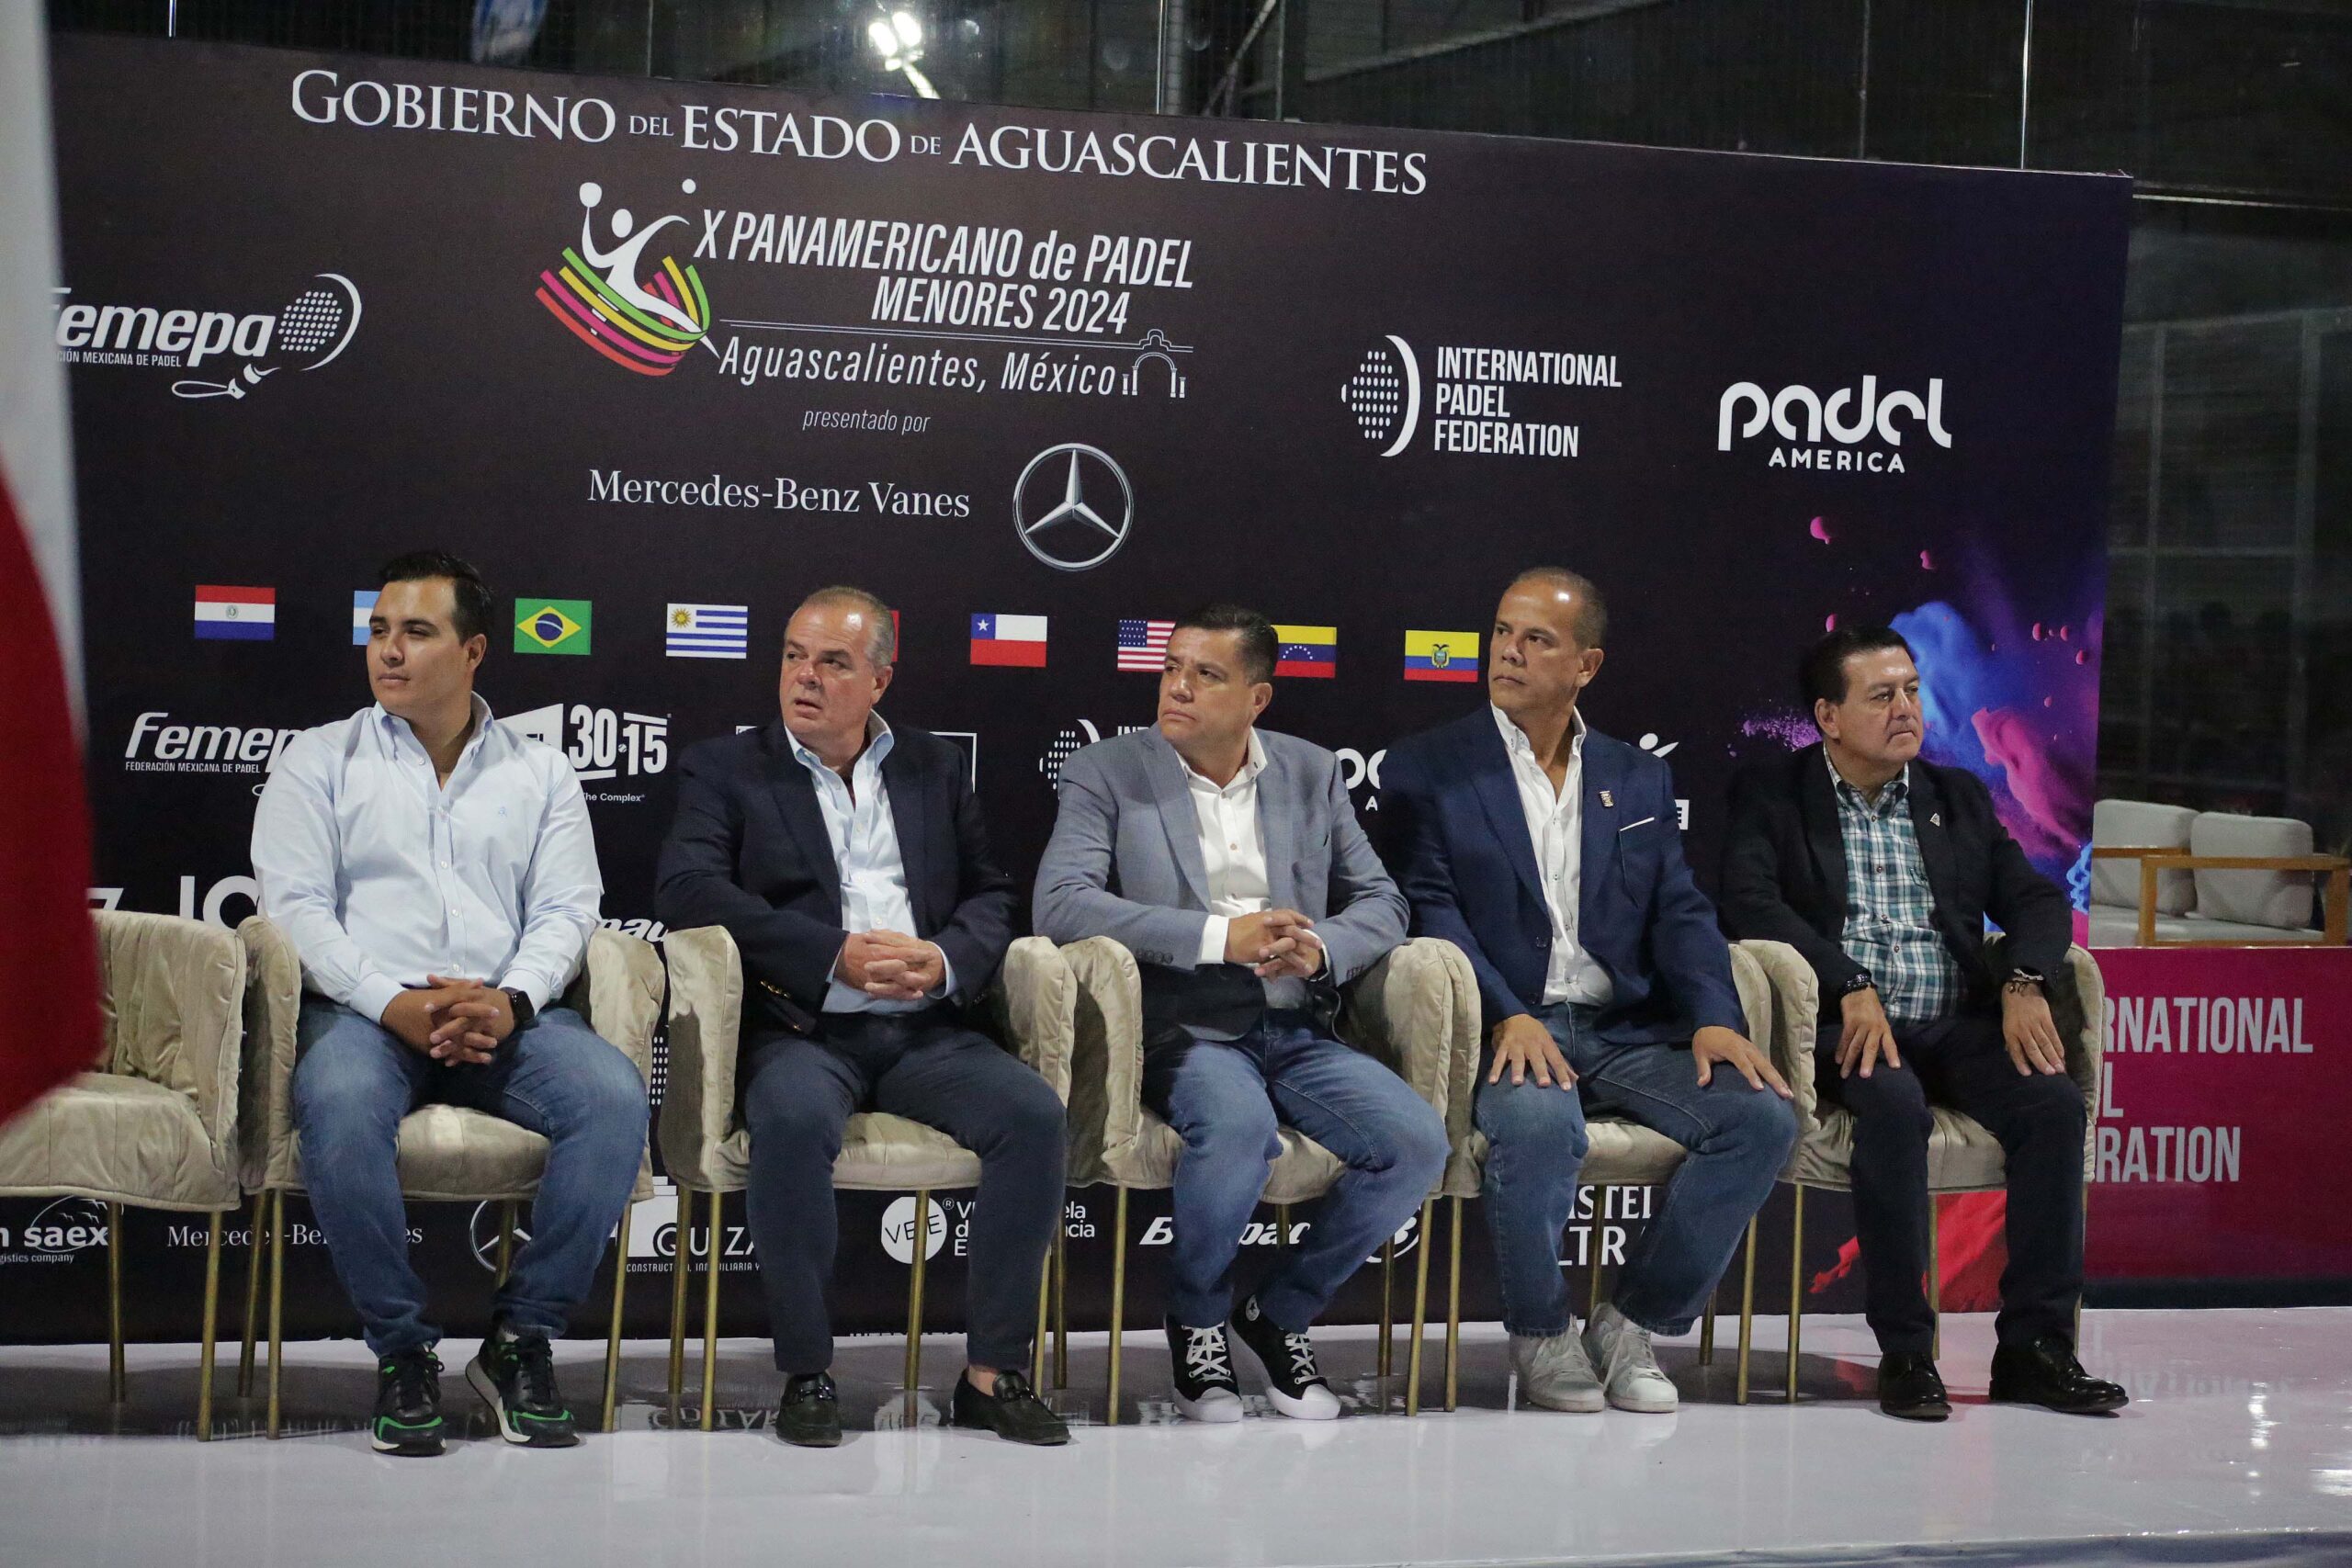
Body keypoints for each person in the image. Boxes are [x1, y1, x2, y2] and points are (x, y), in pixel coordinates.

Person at [251, 550, 648, 1457]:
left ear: (472, 652)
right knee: (339, 1105)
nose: (388, 651)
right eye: (379, 631)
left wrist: (511, 998)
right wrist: (389, 1000)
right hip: (363, 1017)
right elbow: (295, 909)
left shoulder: (541, 773)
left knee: (614, 1098)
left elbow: (567, 910)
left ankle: (520, 1340)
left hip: (505, 1016)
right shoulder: (319, 760)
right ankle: (402, 1351)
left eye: (416, 632)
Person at [653, 586, 1069, 1448]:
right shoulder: (725, 768)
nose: (804, 676)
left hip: (925, 1030)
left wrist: (943, 958)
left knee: (1033, 1116)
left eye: (833, 661)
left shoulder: (932, 767)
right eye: (793, 656)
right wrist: (829, 953)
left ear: (880, 678)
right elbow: (688, 889)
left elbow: (992, 891)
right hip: (801, 1027)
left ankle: (992, 1373)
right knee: (793, 1120)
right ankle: (808, 1370)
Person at [1380, 567, 1795, 1415]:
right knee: (1539, 1126)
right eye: (1502, 632)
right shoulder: (1431, 765)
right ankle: (1541, 1331)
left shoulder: (1634, 776)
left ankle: (1632, 1321)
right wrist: (1509, 1012)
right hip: (1509, 1023)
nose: (1508, 652)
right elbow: (1429, 907)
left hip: (1625, 1026)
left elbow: (1679, 909)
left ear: (1586, 665)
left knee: (1760, 1119)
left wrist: (1715, 1017)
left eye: (1537, 639)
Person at [1034, 604, 1448, 1423]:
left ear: (1257, 698)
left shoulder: (1310, 771)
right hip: (1181, 1024)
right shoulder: (1106, 770)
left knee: (1415, 1143)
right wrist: (1220, 937)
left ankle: (1281, 1310)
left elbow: (1382, 900)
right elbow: (1062, 903)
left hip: (1295, 1020)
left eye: (1206, 674)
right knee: (1238, 1129)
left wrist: (1320, 947)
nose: (1178, 687)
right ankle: (1197, 1317)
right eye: (1172, 669)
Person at [1719, 624, 2127, 1419]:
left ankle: (2036, 1348)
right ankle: (1907, 1349)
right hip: (1852, 1030)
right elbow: (1750, 904)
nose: (1906, 708)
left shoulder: (1955, 798)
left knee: (2052, 1106)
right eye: (1882, 696)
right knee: (1892, 1105)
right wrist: (1848, 981)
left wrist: (2024, 979)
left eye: (1911, 690)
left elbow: (2036, 900)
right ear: (1829, 716)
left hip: (1956, 1022)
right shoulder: (1774, 795)